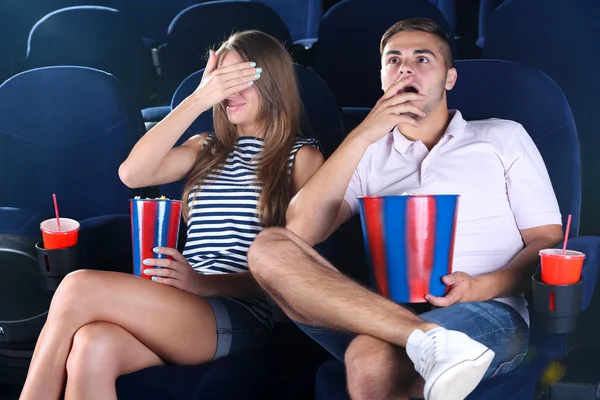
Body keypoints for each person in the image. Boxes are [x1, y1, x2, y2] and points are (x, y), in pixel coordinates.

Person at [247, 18, 564, 400]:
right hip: (376, 308)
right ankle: (429, 339)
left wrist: (480, 286)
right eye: (393, 60)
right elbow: (300, 232)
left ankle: (428, 339)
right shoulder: (366, 153)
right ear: (383, 77)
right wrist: (364, 133)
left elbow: (546, 239)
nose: (405, 68)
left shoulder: (501, 137)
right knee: (269, 246)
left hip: (490, 310)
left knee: (369, 357)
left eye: (422, 59)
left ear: (449, 79)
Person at [19, 30, 324, 400]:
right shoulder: (206, 146)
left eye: (239, 78)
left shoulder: (302, 157)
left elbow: (295, 271)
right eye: (219, 79)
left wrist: (202, 284)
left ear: (273, 82)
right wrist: (197, 100)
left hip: (240, 312)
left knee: (76, 286)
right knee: (91, 345)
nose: (227, 91)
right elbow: (132, 174)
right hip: (183, 303)